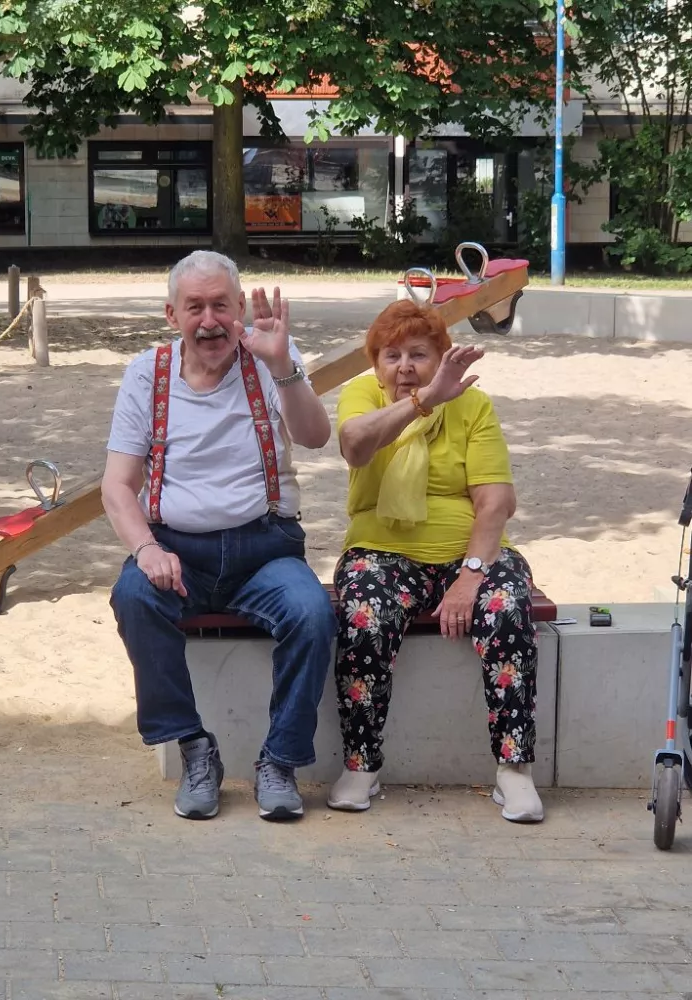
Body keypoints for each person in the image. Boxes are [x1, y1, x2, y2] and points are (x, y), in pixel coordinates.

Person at [102, 250, 336, 822]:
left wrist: (282, 365)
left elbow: (314, 436)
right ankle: (194, 747)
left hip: (264, 548)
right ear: (172, 315)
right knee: (133, 596)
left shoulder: (270, 359)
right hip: (177, 550)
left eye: (221, 307)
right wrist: (147, 549)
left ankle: (280, 761)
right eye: (195, 308)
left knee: (312, 613)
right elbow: (117, 486)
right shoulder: (147, 374)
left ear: (240, 310)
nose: (210, 322)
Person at [328, 299, 543, 823]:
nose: (404, 367)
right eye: (392, 356)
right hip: (381, 550)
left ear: (442, 357)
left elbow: (496, 502)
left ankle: (514, 769)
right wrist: (424, 400)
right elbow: (355, 446)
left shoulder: (474, 405)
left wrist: (470, 577)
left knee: (507, 608)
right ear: (376, 363)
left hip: (470, 551)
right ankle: (361, 764)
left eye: (419, 355)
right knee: (365, 616)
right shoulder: (364, 395)